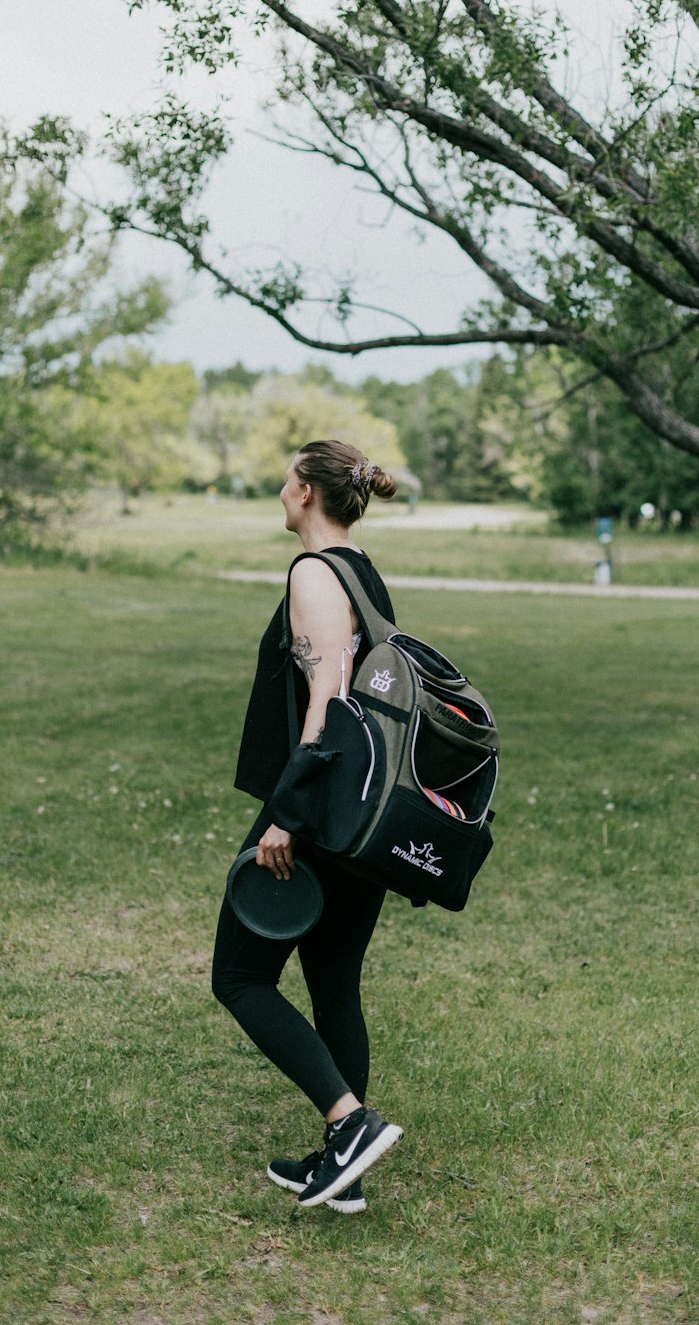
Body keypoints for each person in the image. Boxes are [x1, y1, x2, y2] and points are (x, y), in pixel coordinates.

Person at [212, 439, 404, 1213]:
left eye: (288, 475)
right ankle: (344, 1169)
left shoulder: (315, 574)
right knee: (333, 984)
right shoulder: (364, 573)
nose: (279, 485)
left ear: (306, 493)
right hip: (362, 812)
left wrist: (286, 814)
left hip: (320, 806)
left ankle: (349, 1122)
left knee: (241, 976)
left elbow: (327, 694)